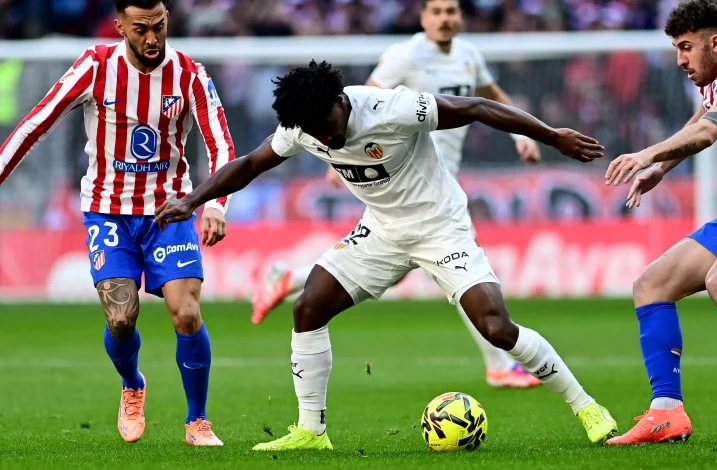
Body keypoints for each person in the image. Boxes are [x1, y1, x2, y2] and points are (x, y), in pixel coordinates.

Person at [155, 60, 618, 450]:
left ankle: (587, 407)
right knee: (308, 306)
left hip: (441, 226)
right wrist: (192, 200)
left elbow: (476, 107)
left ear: (340, 102)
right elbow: (250, 165)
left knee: (496, 327)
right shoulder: (302, 126)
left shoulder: (391, 108)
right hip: (382, 230)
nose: (327, 140)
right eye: (315, 134)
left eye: (329, 127)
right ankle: (312, 431)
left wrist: (552, 135)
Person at [251, 0, 543, 389]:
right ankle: (499, 364)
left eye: (452, 11)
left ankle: (290, 277)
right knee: (458, 274)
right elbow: (362, 99)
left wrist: (520, 134)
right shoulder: (403, 56)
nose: (445, 18)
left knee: (434, 271)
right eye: (437, 11)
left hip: (437, 179)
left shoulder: (469, 55)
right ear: (422, 17)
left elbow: (489, 95)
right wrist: (335, 156)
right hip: (408, 179)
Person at [0, 0, 234, 446]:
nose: (152, 39)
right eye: (141, 29)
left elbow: (221, 144)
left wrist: (216, 205)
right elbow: (35, 124)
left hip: (170, 210)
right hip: (109, 211)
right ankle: (132, 384)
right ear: (119, 26)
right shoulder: (94, 67)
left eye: (159, 27)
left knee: (186, 314)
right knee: (122, 318)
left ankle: (197, 420)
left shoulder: (191, 75)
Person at [603, 0, 717, 446]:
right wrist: (663, 169)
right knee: (652, 284)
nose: (680, 59)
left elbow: (707, 132)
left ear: (714, 42)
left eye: (685, 47)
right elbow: (701, 118)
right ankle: (667, 413)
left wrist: (647, 154)